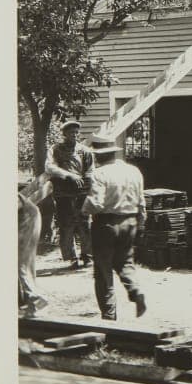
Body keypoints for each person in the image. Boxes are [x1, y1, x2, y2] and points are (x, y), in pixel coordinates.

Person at [81, 134, 147, 321]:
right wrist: (140, 223)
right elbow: (141, 202)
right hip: (130, 221)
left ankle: (109, 317)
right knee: (125, 262)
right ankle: (136, 291)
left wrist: (83, 210)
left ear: (98, 155)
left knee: (103, 271)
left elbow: (96, 203)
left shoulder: (100, 174)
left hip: (106, 224)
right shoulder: (133, 171)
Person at [45, 120, 94, 268]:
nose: (74, 135)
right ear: (64, 134)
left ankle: (87, 256)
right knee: (66, 225)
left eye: (76, 132)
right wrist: (69, 175)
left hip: (81, 193)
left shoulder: (84, 150)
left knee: (85, 224)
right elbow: (49, 167)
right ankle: (71, 257)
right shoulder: (55, 149)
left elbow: (90, 170)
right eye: (71, 132)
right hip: (63, 194)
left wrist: (90, 186)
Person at [17, 174, 51, 317]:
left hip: (26, 217)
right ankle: (25, 302)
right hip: (25, 214)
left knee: (20, 262)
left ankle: (37, 301)